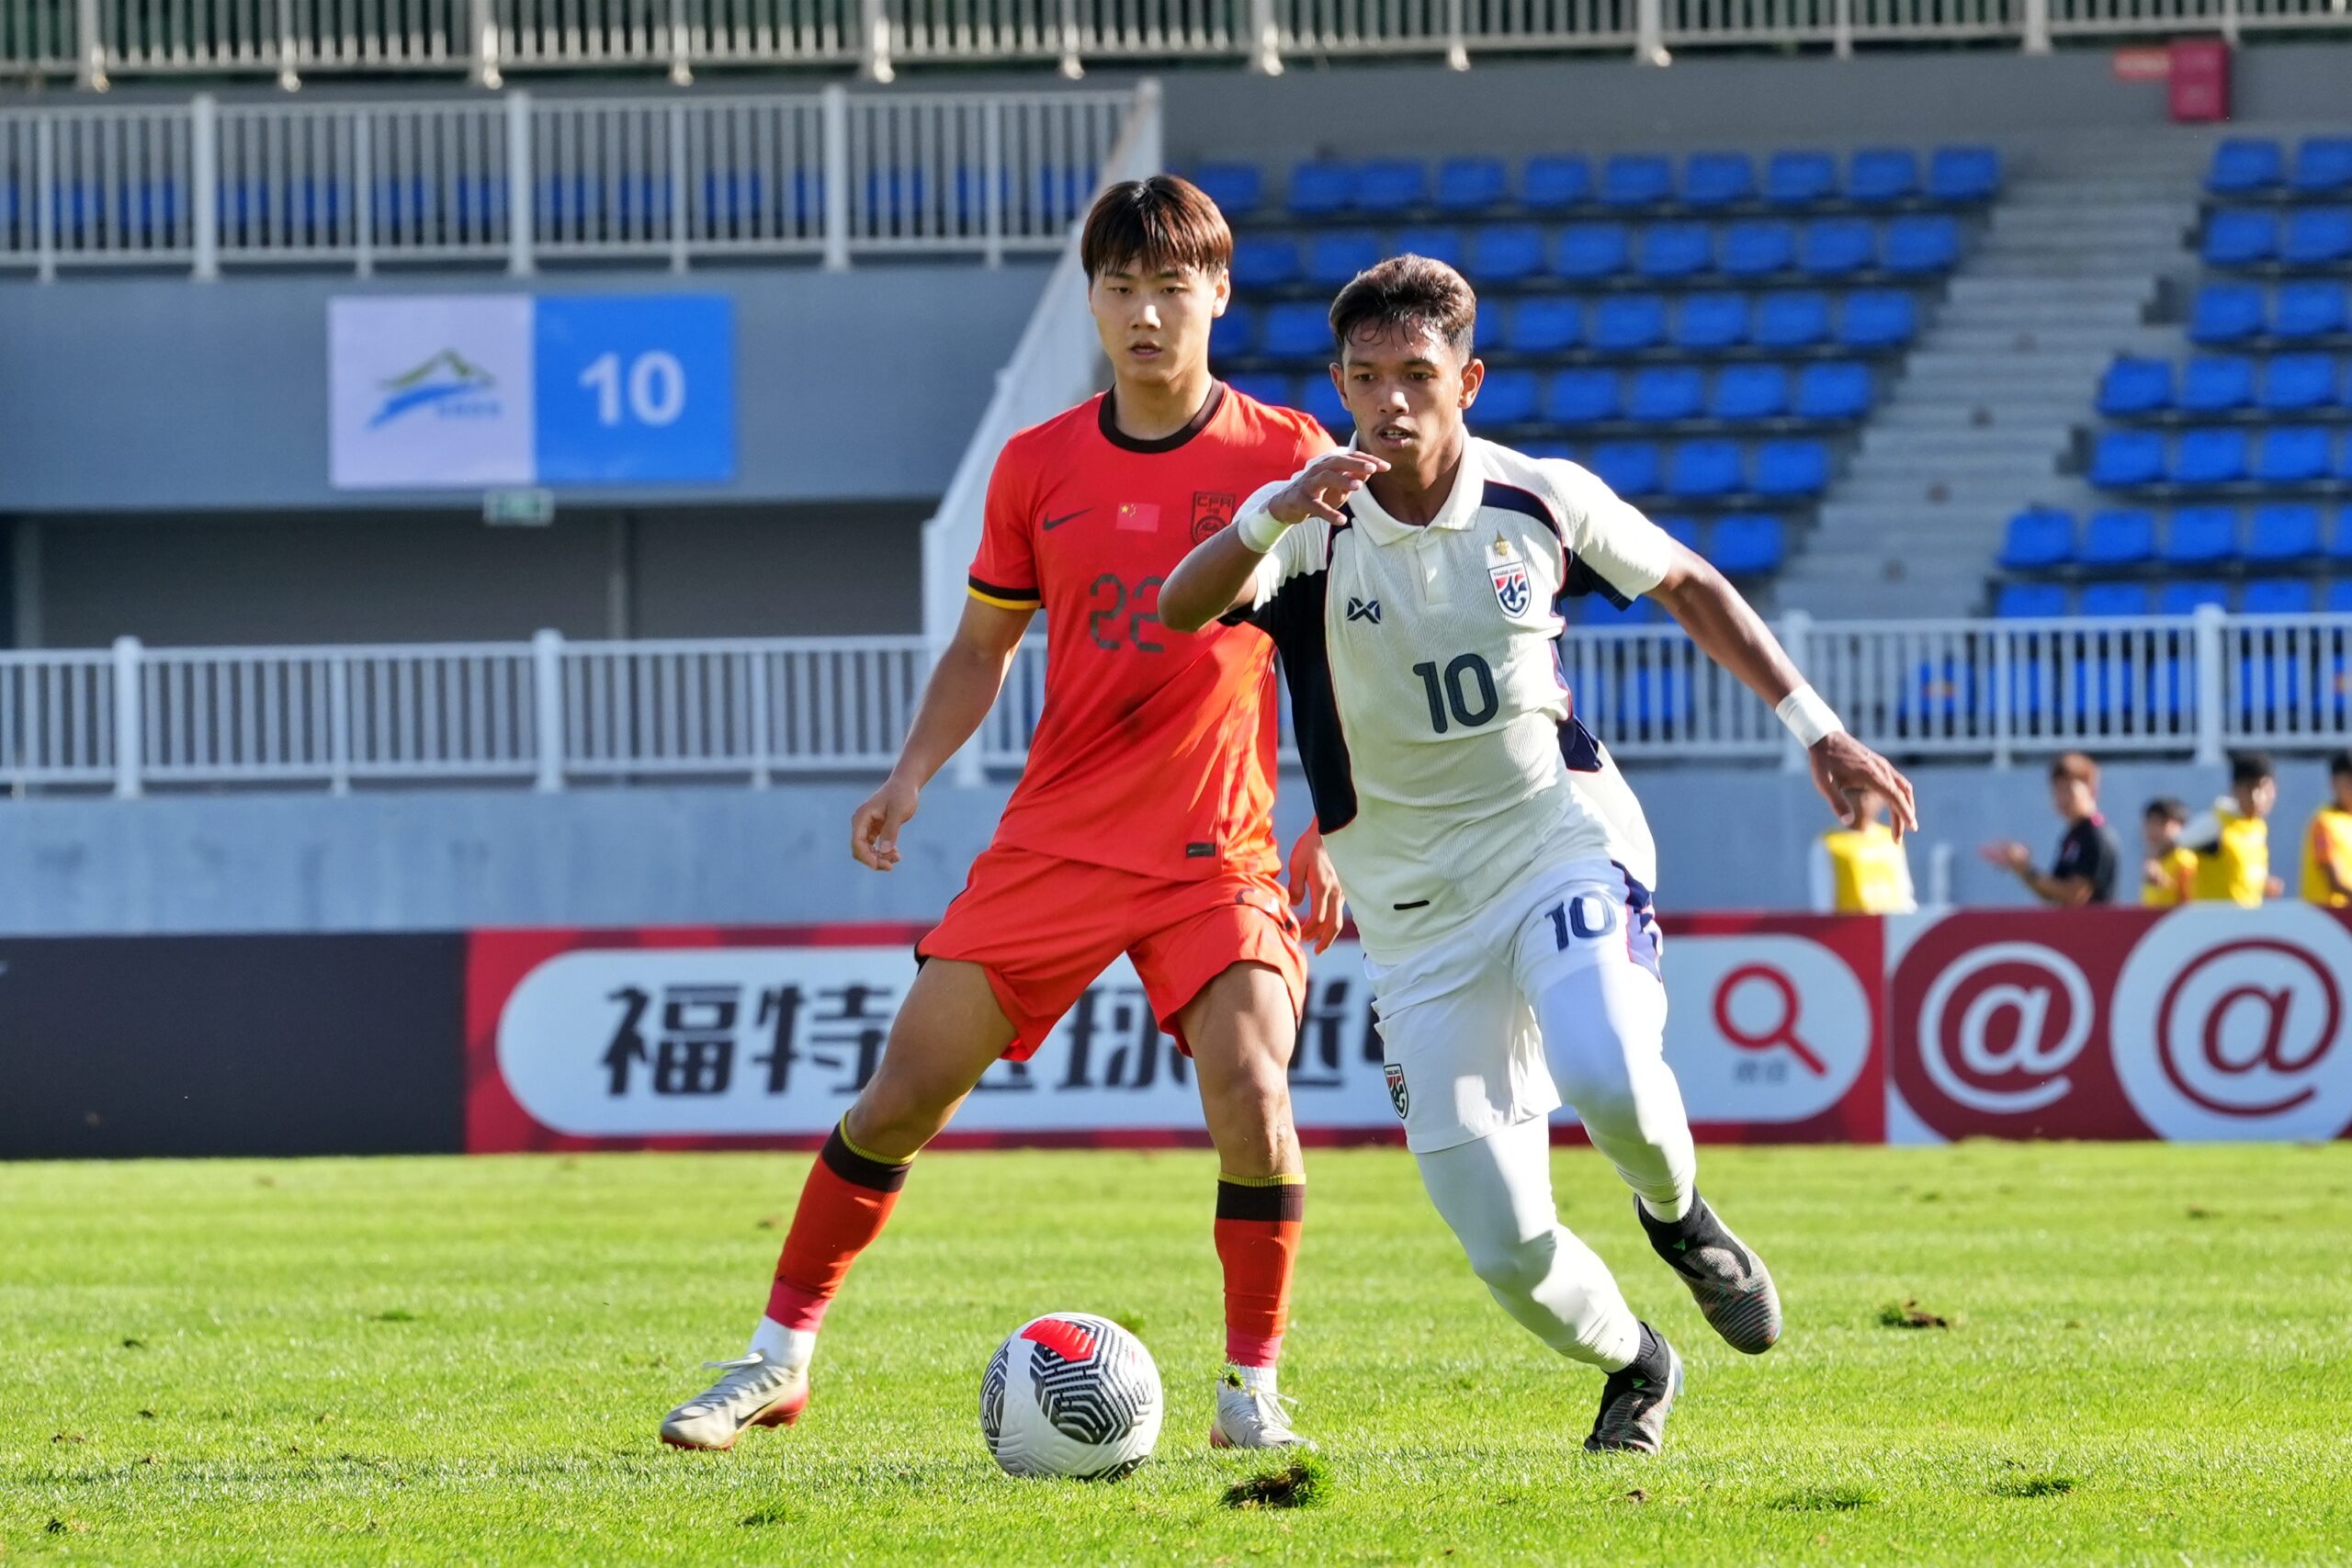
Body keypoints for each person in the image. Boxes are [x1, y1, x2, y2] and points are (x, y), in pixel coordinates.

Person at [1159, 256, 1917, 1456]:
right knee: (1505, 1246)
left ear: (1468, 381)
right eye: (1366, 377)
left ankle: (1679, 1217)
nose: (1391, 401)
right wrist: (1272, 510)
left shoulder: (1541, 496)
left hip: (1557, 842)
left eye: (1418, 374)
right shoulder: (1310, 524)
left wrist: (1818, 729)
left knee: (1606, 1066)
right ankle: (1637, 1361)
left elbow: (1690, 582)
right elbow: (1178, 606)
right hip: (1413, 915)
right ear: (1340, 384)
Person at [661, 177, 1346, 1454]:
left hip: (1215, 852)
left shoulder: (1288, 454)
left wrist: (1342, 815)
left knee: (1257, 1092)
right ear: (1091, 299)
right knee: (898, 1098)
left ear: (1219, 293)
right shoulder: (1038, 464)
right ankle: (774, 1359)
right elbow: (983, 648)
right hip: (1057, 841)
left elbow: (1339, 643)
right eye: (1120, 288)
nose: (1145, 314)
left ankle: (1250, 1393)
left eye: (1171, 287)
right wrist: (910, 774)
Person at [1977, 751, 2120, 907]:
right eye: (2057, 790)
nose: (2062, 798)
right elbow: (2052, 894)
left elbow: (2076, 895)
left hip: (2092, 923)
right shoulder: (2073, 836)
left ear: (2091, 790)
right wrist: (2021, 868)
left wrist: (2026, 869)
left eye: (2068, 790)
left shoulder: (2096, 836)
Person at [2185, 751, 2281, 906]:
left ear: (2274, 790)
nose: (2257, 797)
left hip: (2248, 918)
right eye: (2249, 789)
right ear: (2234, 790)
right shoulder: (2215, 824)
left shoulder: (2258, 826)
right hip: (2215, 919)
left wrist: (2263, 882)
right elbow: (2174, 845)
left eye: (2263, 788)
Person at [1808, 787, 1917, 915]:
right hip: (1851, 924)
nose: (1861, 800)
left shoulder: (1892, 839)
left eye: (1867, 793)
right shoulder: (1829, 843)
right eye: (1852, 793)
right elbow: (1824, 902)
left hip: (1888, 923)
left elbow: (1904, 893)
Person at [2302, 750, 2352, 908]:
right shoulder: (2324, 823)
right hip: (2325, 918)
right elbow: (2335, 882)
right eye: (2350, 781)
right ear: (2334, 782)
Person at [2140, 796, 2196, 908]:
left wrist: (2163, 883)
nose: (2153, 830)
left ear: (2180, 826)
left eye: (2161, 823)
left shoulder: (2185, 860)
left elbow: (2190, 903)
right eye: (2149, 823)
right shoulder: (2156, 861)